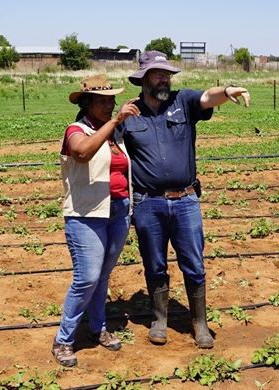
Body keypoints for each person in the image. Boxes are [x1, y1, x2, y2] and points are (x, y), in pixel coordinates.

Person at [118, 51, 250, 349]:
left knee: (194, 263)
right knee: (154, 264)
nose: (164, 78)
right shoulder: (129, 113)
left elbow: (207, 97)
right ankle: (159, 320)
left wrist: (227, 91)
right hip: (147, 202)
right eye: (157, 74)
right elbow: (106, 140)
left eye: (167, 74)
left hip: (186, 201)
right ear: (143, 79)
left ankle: (200, 323)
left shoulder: (183, 101)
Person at [52, 74, 140, 367]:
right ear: (87, 102)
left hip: (117, 211)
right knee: (86, 278)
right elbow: (81, 153)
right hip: (86, 215)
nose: (109, 105)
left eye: (111, 100)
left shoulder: (116, 134)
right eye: (102, 101)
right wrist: (114, 121)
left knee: (102, 275)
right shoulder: (76, 130)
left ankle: (97, 328)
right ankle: (64, 340)